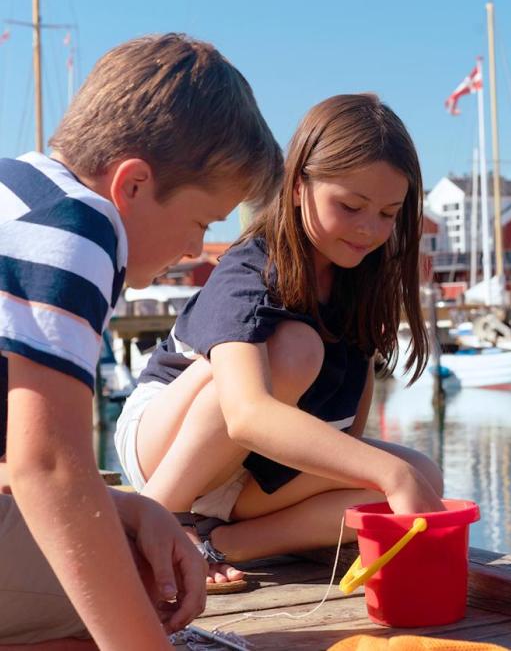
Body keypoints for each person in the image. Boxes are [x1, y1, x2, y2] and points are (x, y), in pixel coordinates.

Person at [0, 33, 283, 647]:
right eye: (200, 222)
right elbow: (47, 465)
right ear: (131, 185)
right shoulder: (77, 229)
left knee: (115, 534)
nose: (192, 248)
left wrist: (134, 506)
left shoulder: (16, 190)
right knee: (132, 576)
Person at [114, 93, 445, 587]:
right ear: (296, 187)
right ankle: (161, 518)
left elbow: (346, 433)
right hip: (168, 446)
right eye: (350, 206)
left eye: (387, 213)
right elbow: (245, 414)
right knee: (295, 350)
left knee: (424, 475)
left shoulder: (360, 279)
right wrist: (389, 474)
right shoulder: (250, 269)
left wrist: (397, 477)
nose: (369, 229)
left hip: (252, 470)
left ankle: (220, 543)